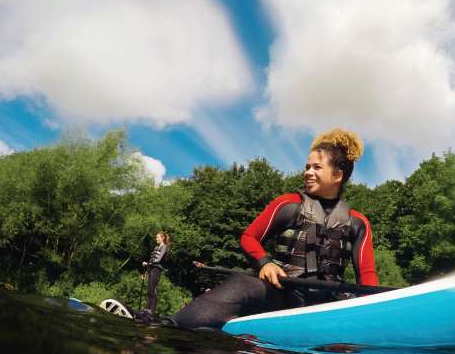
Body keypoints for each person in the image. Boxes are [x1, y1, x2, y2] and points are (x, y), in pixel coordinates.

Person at [170, 128, 378, 330]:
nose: (308, 173)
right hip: (282, 294)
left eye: (316, 167)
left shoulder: (359, 223)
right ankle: (171, 325)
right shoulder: (288, 204)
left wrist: (373, 306)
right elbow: (249, 237)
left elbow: (367, 276)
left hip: (327, 303)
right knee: (242, 284)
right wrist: (265, 264)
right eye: (307, 167)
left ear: (337, 175)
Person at [141, 231, 169, 316]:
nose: (156, 239)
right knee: (149, 290)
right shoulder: (156, 248)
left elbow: (158, 260)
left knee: (153, 289)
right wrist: (146, 272)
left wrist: (147, 263)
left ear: (162, 238)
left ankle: (151, 311)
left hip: (156, 269)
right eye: (156, 237)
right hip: (151, 268)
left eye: (158, 237)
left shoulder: (164, 247)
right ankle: (147, 309)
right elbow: (152, 260)